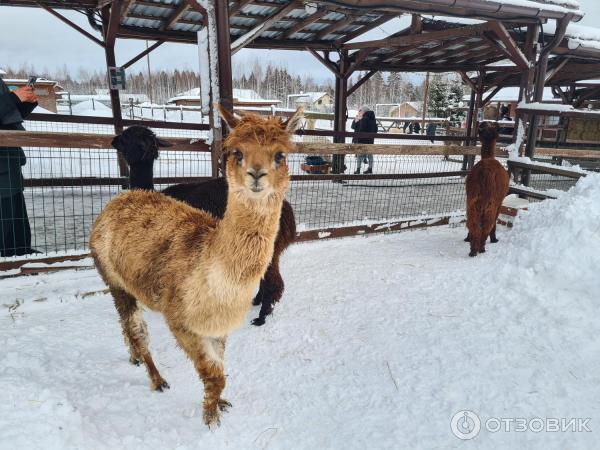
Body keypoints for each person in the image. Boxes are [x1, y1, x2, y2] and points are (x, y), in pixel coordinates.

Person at [0, 76, 38, 256]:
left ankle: (21, 255)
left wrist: (25, 103)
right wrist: (14, 98)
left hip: (9, 164)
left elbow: (6, 118)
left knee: (17, 222)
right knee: (5, 223)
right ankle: (9, 264)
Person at [351, 106, 377, 174]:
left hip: (362, 140)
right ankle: (370, 169)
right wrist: (356, 120)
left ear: (364, 111)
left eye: (360, 111)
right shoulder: (373, 118)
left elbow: (361, 129)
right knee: (370, 155)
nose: (359, 112)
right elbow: (375, 130)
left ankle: (358, 169)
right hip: (370, 140)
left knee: (359, 155)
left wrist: (358, 121)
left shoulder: (364, 119)